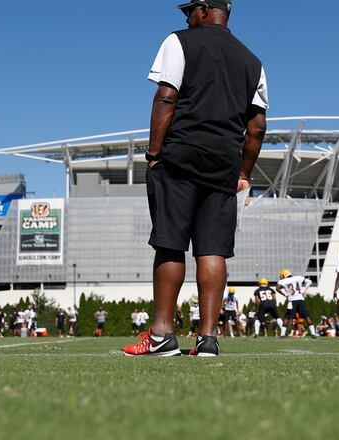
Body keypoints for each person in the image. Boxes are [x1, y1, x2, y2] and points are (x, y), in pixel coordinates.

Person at [122, 0, 268, 358]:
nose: (186, 17)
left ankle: (162, 335)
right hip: (223, 164)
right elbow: (257, 127)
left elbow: (166, 98)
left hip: (181, 155)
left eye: (189, 10)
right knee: (213, 249)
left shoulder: (179, 41)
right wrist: (243, 172)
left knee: (170, 243)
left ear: (204, 9)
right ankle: (207, 340)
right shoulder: (253, 61)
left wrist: (154, 153)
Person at [276, 269, 317, 338]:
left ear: (284, 275)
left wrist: (285, 294)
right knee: (307, 316)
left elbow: (277, 288)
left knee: (287, 317)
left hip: (292, 300)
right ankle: (313, 333)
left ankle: (282, 334)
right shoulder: (298, 277)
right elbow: (309, 282)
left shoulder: (283, 281)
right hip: (300, 299)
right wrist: (304, 290)